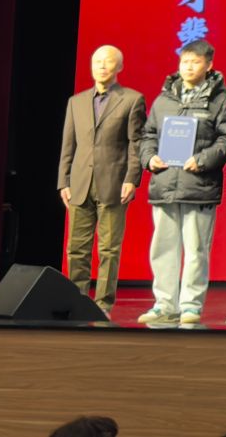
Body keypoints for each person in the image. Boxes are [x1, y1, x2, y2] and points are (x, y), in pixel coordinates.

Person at [135, 39, 226, 325]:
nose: (188, 67)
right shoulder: (164, 99)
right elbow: (148, 135)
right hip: (165, 182)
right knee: (162, 248)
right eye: (184, 61)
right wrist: (150, 158)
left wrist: (202, 160)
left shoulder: (219, 100)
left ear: (209, 65)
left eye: (195, 62)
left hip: (198, 184)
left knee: (196, 250)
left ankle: (190, 304)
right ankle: (164, 304)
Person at [57, 44, 144, 316]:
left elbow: (135, 143)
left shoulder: (132, 99)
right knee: (76, 249)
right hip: (80, 183)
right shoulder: (76, 101)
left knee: (109, 249)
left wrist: (132, 178)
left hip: (114, 183)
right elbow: (68, 145)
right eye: (97, 61)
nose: (102, 66)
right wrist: (64, 181)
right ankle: (77, 301)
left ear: (120, 67)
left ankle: (103, 304)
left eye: (108, 61)